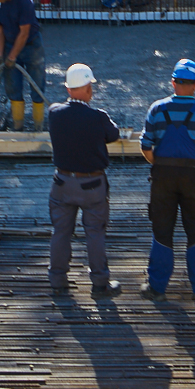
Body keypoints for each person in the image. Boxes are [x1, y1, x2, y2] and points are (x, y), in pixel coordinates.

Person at [139, 58, 195, 299]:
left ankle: (157, 288)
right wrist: (194, 162)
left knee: (162, 231)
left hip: (163, 175)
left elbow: (145, 145)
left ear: (173, 83)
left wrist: (160, 163)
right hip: (194, 176)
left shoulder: (156, 109)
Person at [46, 62, 121, 298]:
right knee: (95, 233)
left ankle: (57, 281)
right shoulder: (98, 117)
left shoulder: (54, 113)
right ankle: (99, 284)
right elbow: (113, 134)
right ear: (88, 88)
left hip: (62, 183)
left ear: (68, 89)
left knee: (60, 232)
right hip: (92, 186)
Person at [0, 0, 46, 130]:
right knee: (13, 87)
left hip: (32, 46)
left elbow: (24, 33)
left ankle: (38, 127)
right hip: (9, 45)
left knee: (37, 86)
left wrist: (12, 56)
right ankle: (18, 126)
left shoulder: (24, 1)